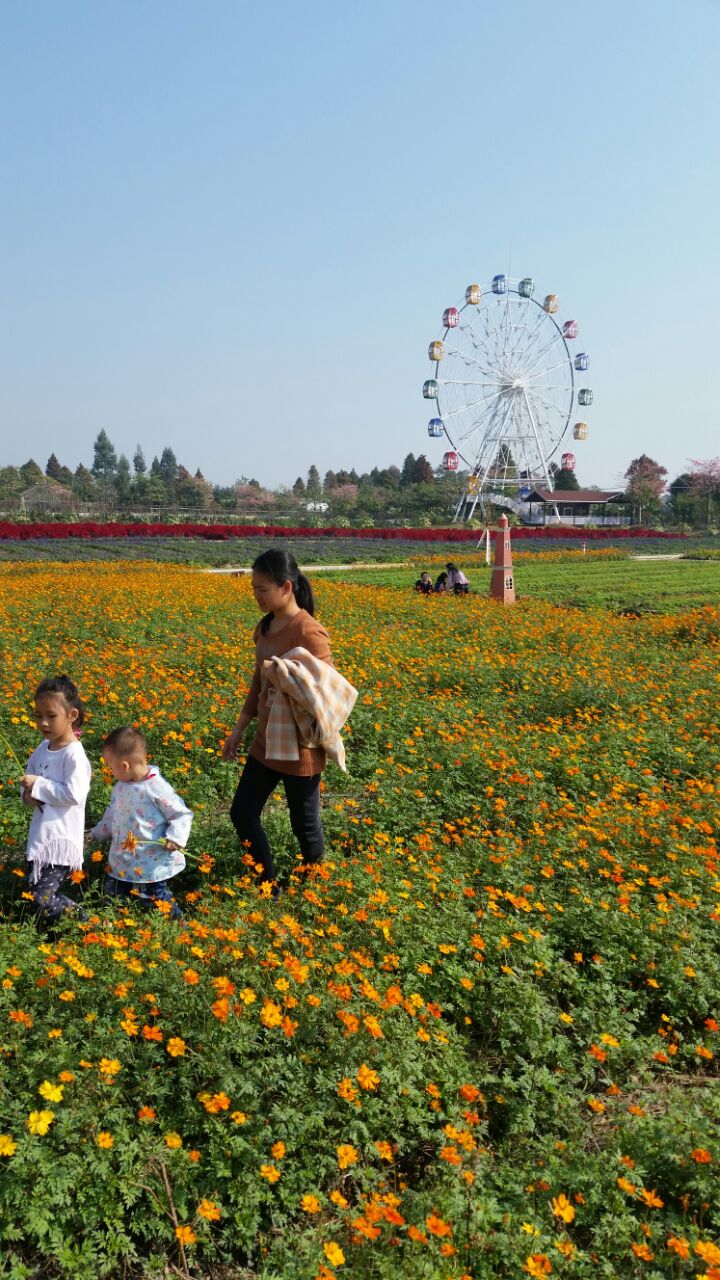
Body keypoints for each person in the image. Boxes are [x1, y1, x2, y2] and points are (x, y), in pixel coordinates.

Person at [222, 548, 334, 891]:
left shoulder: (309, 631)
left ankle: (314, 888)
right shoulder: (266, 626)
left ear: (286, 587)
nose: (256, 595)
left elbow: (325, 690)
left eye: (263, 589)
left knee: (304, 824)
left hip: (301, 745)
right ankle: (265, 882)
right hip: (267, 740)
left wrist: (288, 677)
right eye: (254, 588)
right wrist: (239, 729)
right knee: (242, 812)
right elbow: (259, 681)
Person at [88, 726, 193, 920]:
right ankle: (116, 930)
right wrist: (95, 834)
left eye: (111, 766)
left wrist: (176, 838)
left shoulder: (156, 787)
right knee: (113, 898)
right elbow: (112, 817)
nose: (110, 771)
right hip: (121, 860)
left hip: (150, 862)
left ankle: (178, 927)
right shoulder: (120, 788)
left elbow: (181, 815)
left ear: (125, 765)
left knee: (155, 898)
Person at [20, 675, 92, 923]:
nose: (43, 722)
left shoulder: (74, 755)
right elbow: (30, 777)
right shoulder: (43, 748)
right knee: (33, 896)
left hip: (59, 842)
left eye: (51, 716)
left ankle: (86, 921)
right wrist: (27, 795)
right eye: (38, 715)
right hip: (41, 838)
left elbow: (74, 793)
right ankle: (51, 935)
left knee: (41, 898)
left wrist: (38, 785)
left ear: (72, 715)